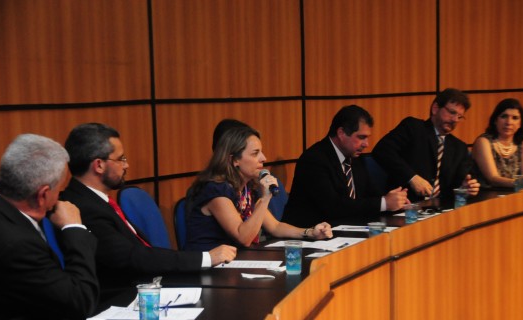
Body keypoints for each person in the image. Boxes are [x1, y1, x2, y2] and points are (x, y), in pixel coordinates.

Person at [60, 123, 236, 291]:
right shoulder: (82, 207)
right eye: (121, 159)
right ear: (99, 165)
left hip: (147, 283)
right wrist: (207, 257)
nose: (126, 165)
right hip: (124, 296)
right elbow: (131, 257)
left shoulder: (96, 200)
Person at [0, 134, 99, 320]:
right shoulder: (17, 243)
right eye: (59, 190)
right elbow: (81, 301)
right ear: (43, 195)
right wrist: (74, 228)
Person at [185, 123, 333, 251]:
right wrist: (265, 197)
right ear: (234, 159)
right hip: (207, 269)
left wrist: (310, 232)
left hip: (233, 263)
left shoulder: (248, 189)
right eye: (255, 153)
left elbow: (274, 227)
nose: (264, 158)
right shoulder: (216, 191)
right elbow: (243, 237)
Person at [282, 105, 408, 227]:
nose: (366, 144)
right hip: (308, 235)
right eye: (361, 137)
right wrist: (384, 203)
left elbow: (371, 194)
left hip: (345, 229)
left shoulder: (355, 157)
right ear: (341, 133)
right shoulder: (314, 160)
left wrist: (395, 201)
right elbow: (334, 207)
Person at [372, 88, 480, 202]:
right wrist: (412, 177)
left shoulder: (460, 148)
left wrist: (465, 187)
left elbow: (460, 182)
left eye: (460, 116)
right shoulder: (413, 128)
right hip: (407, 207)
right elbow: (382, 151)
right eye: (452, 112)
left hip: (442, 211)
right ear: (435, 108)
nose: (455, 120)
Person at [471, 98, 523, 188]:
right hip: (486, 196)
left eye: (515, 118)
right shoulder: (483, 142)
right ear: (495, 120)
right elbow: (492, 179)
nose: (509, 122)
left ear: (520, 123)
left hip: (514, 195)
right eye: (504, 116)